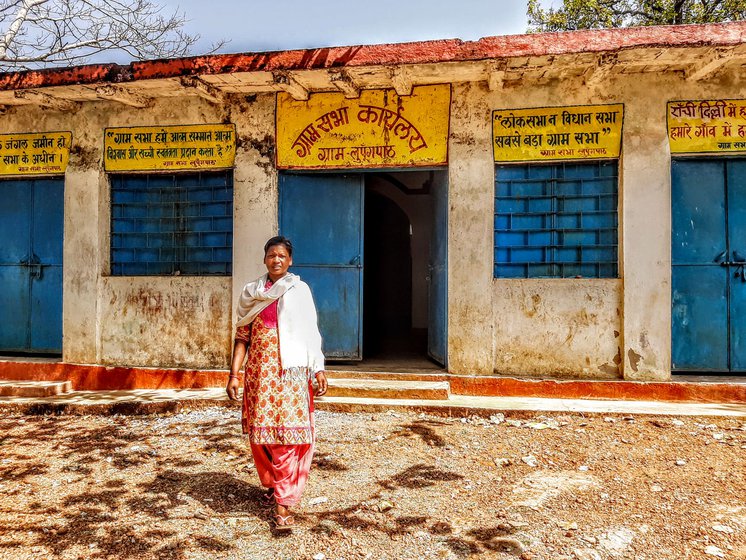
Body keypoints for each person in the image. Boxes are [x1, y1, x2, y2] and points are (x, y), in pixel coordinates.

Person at [226, 236, 327, 530]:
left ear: (290, 260)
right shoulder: (252, 293)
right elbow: (242, 337)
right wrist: (235, 374)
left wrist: (318, 369)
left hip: (291, 377)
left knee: (287, 437)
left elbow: (311, 333)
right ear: (265, 259)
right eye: (272, 255)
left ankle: (283, 505)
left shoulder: (299, 291)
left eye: (282, 255)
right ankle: (273, 485)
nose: (277, 260)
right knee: (262, 436)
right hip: (259, 377)